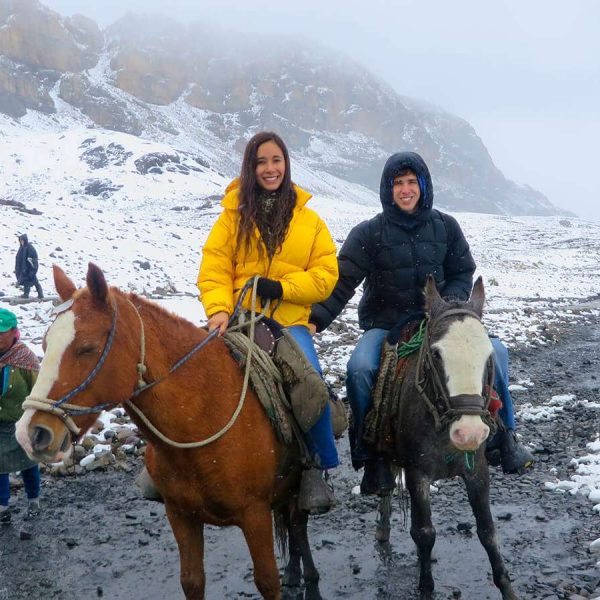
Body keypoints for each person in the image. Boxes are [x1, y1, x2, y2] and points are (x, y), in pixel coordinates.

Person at [309, 151, 534, 495]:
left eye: (412, 182)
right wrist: (315, 320)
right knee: (360, 368)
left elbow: (462, 272)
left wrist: (446, 308)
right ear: (388, 189)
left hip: (441, 321)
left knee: (496, 353)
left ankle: (504, 437)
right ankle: (372, 456)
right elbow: (343, 282)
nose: (405, 189)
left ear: (424, 186)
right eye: (398, 183)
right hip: (386, 325)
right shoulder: (369, 233)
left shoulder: (445, 227)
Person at [197, 131, 339, 513]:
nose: (270, 168)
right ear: (250, 167)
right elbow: (214, 269)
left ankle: (317, 466)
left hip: (290, 323)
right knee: (191, 374)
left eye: (276, 160)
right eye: (261, 162)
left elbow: (327, 275)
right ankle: (176, 465)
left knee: (310, 381)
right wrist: (219, 312)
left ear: (286, 164)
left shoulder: (310, 221)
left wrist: (283, 288)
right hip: (239, 320)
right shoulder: (232, 218)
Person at [0, 308, 41, 532]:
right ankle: (2, 508)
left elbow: (39, 390)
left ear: (14, 332)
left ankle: (34, 501)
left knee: (29, 464)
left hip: (22, 424)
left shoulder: (25, 359)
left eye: (1, 332)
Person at [14, 234, 43, 299]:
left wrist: (32, 269)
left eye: (22, 240)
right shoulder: (22, 248)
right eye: (20, 241)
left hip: (29, 269)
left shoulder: (30, 248)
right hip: (24, 269)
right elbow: (19, 258)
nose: (21, 242)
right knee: (28, 281)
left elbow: (33, 259)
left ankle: (39, 295)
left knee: (33, 281)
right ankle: (27, 294)